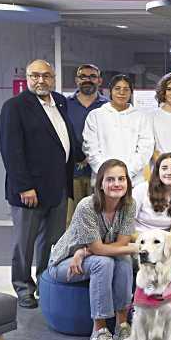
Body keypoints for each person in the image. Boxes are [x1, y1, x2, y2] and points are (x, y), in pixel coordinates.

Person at [0, 59, 79, 309]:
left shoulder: (60, 102)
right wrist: (24, 186)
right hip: (29, 191)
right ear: (27, 78)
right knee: (25, 243)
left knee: (51, 242)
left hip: (57, 188)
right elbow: (11, 150)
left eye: (46, 75)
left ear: (53, 78)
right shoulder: (15, 106)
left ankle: (45, 283)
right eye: (35, 76)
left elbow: (63, 140)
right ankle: (23, 288)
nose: (40, 80)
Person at [47, 159, 139, 340]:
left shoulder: (129, 205)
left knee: (123, 259)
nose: (116, 184)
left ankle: (122, 325)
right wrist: (136, 248)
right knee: (104, 262)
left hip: (88, 256)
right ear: (100, 184)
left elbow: (121, 244)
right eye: (110, 179)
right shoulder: (87, 206)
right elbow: (101, 249)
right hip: (64, 262)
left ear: (128, 183)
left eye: (121, 179)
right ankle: (99, 330)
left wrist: (86, 251)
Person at [82, 74, 154, 187]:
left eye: (126, 89)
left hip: (134, 182)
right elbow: (90, 148)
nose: (122, 92)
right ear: (110, 91)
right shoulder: (96, 115)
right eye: (117, 88)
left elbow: (145, 149)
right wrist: (107, 174)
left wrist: (126, 174)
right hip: (103, 181)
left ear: (131, 93)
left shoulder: (141, 117)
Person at [133, 152, 171, 289]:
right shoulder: (141, 190)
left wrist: (160, 247)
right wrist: (146, 243)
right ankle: (142, 297)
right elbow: (127, 225)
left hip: (164, 241)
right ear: (157, 171)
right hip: (138, 239)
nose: (169, 172)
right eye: (164, 168)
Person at [65, 64, 108, 226]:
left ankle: (96, 251)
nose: (87, 80)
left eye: (92, 76)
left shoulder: (107, 106)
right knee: (70, 219)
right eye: (83, 76)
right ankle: (71, 251)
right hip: (71, 171)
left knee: (98, 218)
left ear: (99, 80)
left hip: (99, 172)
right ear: (76, 80)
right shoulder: (65, 104)